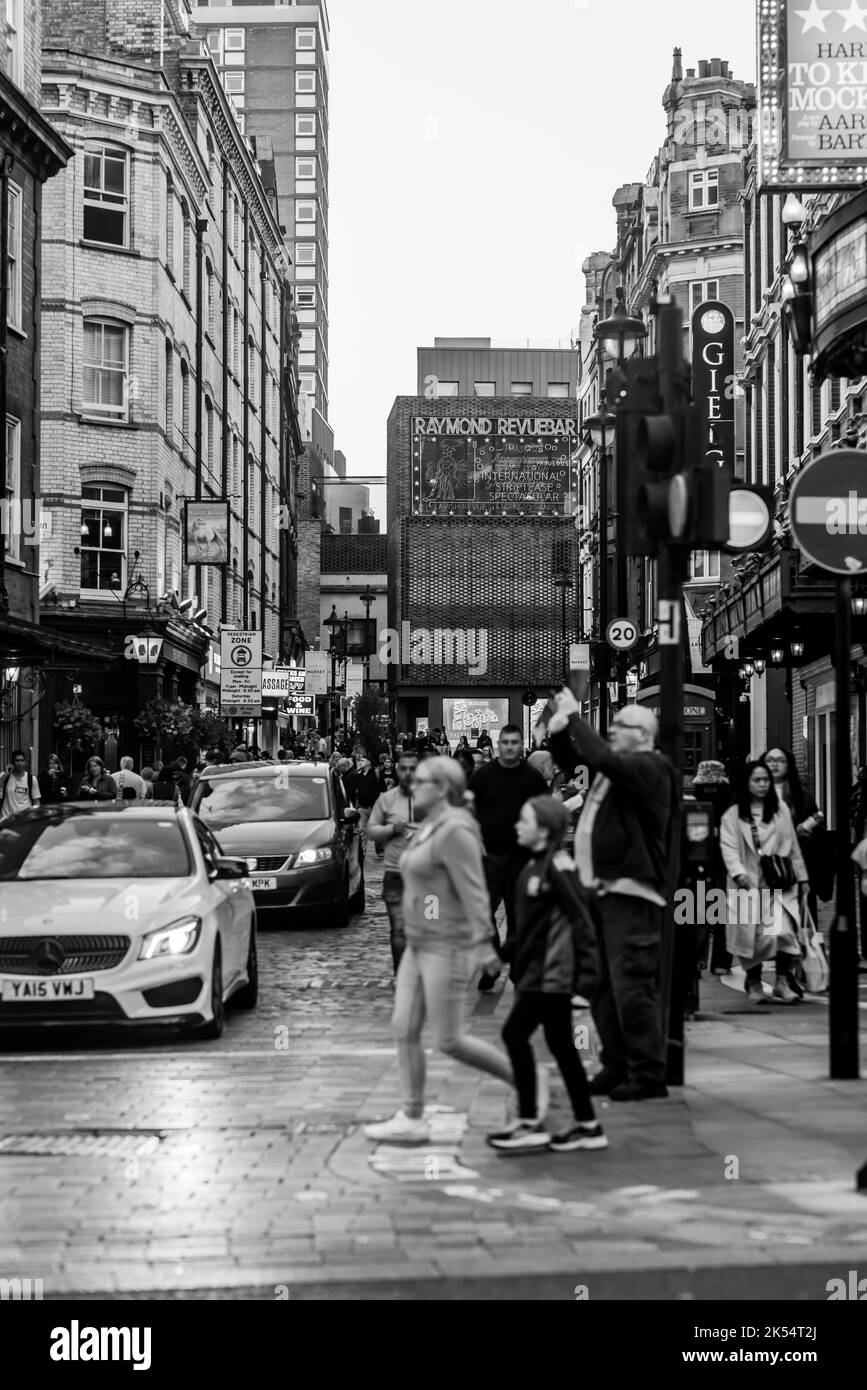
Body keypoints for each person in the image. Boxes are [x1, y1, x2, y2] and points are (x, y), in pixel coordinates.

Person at [363, 758, 513, 1145]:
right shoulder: (430, 824)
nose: (414, 782)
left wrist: (483, 943)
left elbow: (474, 890)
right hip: (418, 942)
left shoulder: (456, 830)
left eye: (425, 778)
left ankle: (527, 1081)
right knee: (404, 1028)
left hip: (445, 945)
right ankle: (412, 1116)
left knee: (449, 1039)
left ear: (445, 787)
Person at [547, 691, 675, 1102]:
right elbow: (574, 764)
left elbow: (602, 758)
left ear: (643, 734)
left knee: (631, 986)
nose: (614, 731)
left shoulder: (650, 767)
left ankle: (648, 1073)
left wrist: (574, 717)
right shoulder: (614, 769)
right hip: (599, 891)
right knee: (599, 985)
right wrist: (560, 732)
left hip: (630, 894)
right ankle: (617, 1064)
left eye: (621, 726)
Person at [488, 796, 607, 1153]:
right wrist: (504, 954)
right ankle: (588, 1125)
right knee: (562, 1047)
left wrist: (587, 979)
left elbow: (583, 922)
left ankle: (529, 1122)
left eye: (523, 820)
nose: (517, 826)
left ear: (542, 829)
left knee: (514, 1034)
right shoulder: (535, 866)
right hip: (539, 972)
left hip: (550, 975)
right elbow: (529, 927)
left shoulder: (556, 867)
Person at [720, 760, 810, 1006]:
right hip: (747, 885)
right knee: (753, 939)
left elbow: (793, 846)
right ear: (746, 783)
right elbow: (728, 847)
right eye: (756, 780)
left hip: (777, 885)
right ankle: (754, 982)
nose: (762, 784)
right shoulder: (734, 813)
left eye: (765, 780)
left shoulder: (779, 809)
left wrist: (802, 878)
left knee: (782, 933)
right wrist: (739, 874)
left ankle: (781, 982)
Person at [468, 724, 548, 992]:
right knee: (482, 914)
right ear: (499, 744)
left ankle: (516, 966)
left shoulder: (531, 778)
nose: (511, 747)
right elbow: (468, 809)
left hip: (520, 858)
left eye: (515, 742)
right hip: (488, 855)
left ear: (520, 744)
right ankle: (491, 964)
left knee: (519, 916)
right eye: (506, 742)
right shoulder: (484, 776)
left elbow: (544, 812)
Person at [762, 746, 833, 916]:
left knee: (800, 919)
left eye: (780, 761)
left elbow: (818, 834)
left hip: (796, 867)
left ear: (788, 765)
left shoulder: (801, 796)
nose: (774, 765)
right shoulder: (754, 795)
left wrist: (807, 832)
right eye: (770, 761)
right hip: (766, 867)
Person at [368, 749, 419, 972]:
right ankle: (403, 975)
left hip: (428, 878)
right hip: (395, 874)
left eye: (413, 768)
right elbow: (371, 830)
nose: (408, 773)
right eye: (404, 768)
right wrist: (391, 829)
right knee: (399, 928)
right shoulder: (387, 799)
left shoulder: (434, 797)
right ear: (398, 770)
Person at [690, 760, 732, 975]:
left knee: (697, 911)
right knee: (717, 911)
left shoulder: (693, 805)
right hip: (719, 861)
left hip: (705, 861)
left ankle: (698, 961)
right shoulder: (730, 806)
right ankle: (720, 961)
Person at [1, 749, 41, 818]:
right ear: (12, 762)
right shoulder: (4, 776)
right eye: (17, 760)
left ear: (25, 762)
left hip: (24, 819)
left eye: (22, 760)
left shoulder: (31, 779)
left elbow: (36, 801)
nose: (20, 763)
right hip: (6, 818)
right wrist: (6, 774)